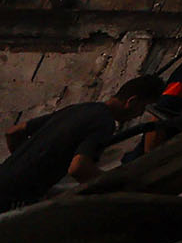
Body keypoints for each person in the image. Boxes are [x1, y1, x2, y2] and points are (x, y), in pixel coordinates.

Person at [0, 74, 162, 209]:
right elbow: (79, 168)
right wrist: (117, 185)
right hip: (15, 196)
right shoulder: (104, 122)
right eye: (143, 108)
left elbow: (14, 132)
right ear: (132, 102)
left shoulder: (79, 108)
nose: (139, 115)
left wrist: (29, 163)